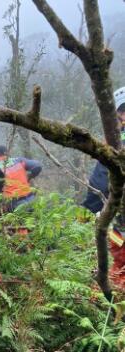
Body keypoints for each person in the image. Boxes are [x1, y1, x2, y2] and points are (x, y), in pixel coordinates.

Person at [83, 86, 125, 289]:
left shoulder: (114, 143)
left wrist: (88, 209)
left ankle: (116, 308)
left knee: (119, 266)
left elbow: (99, 181)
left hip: (121, 221)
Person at [0, 146, 42, 211]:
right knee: (36, 218)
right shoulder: (18, 160)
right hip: (30, 198)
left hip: (14, 203)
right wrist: (29, 177)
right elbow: (37, 165)